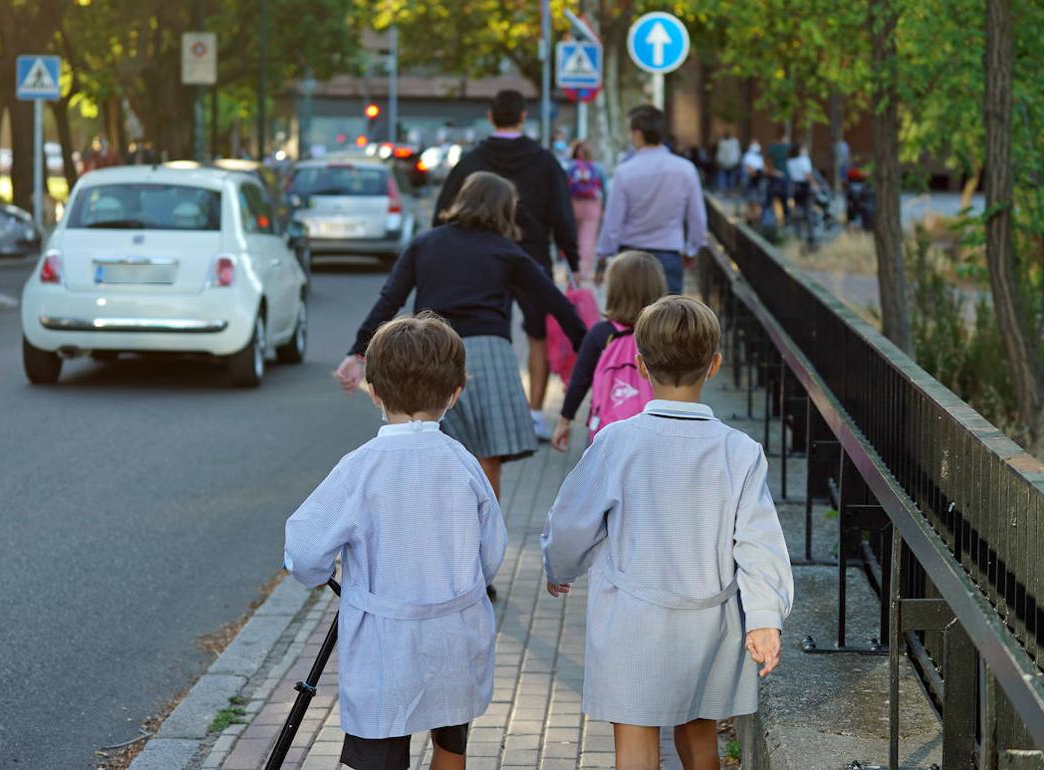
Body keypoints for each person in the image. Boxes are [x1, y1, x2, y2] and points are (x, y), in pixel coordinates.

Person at [541, 296, 794, 770]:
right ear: (714, 366)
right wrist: (764, 616)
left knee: (635, 743)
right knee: (700, 739)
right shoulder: (739, 451)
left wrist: (561, 565)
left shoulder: (617, 441)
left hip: (631, 621)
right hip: (708, 622)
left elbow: (571, 519)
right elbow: (759, 543)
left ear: (640, 365)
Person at [286, 313, 508, 770]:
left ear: (374, 390)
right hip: (455, 630)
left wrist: (319, 573)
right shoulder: (465, 464)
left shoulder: (360, 468)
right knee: (451, 739)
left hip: (386, 640)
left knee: (380, 749)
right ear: (455, 393)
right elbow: (492, 550)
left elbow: (306, 551)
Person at [338, 171, 587, 500]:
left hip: (431, 352)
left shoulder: (425, 243)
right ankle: (484, 544)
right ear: (503, 209)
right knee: (486, 461)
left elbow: (390, 299)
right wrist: (592, 348)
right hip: (490, 357)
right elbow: (556, 303)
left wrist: (357, 353)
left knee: (429, 453)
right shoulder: (506, 251)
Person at [433, 89, 581, 442]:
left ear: (490, 116)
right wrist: (572, 258)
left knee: (481, 332)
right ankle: (533, 415)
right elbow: (563, 213)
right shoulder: (545, 161)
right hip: (532, 257)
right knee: (537, 336)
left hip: (478, 259)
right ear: (523, 117)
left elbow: (442, 211)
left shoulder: (471, 161)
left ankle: (467, 409)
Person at [551, 251, 667, 453]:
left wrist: (564, 420)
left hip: (607, 432)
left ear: (614, 291)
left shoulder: (601, 333)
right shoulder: (664, 334)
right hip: (655, 433)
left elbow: (579, 381)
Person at [595, 104, 707, 295]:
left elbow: (613, 222)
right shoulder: (685, 169)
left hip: (631, 256)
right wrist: (692, 249)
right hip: (669, 255)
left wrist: (603, 255)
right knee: (666, 321)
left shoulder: (625, 171)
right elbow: (698, 218)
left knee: (631, 320)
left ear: (637, 134)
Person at [566, 140, 607, 280]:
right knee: (588, 239)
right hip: (592, 206)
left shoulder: (570, 167)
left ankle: (572, 269)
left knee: (573, 237)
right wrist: (604, 207)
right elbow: (604, 188)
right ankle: (584, 270)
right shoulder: (598, 168)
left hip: (573, 205)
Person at [786, 144, 816, 247]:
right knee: (808, 212)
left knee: (798, 212)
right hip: (805, 187)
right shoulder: (804, 160)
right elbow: (808, 174)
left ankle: (798, 234)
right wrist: (815, 184)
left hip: (795, 187)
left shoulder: (790, 161)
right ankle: (810, 236)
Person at [742, 141, 766, 224]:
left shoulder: (759, 157)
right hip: (751, 183)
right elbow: (750, 170)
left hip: (757, 183)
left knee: (756, 203)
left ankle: (754, 220)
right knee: (752, 203)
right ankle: (752, 220)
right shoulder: (748, 156)